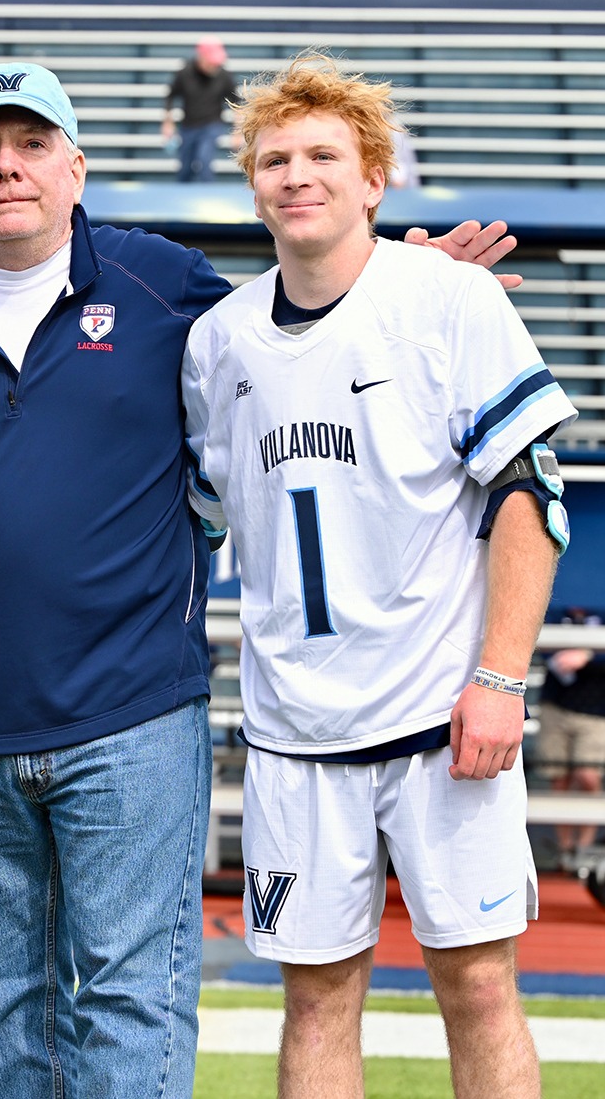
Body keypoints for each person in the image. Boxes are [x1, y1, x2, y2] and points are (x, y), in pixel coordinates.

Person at [0, 61, 523, 1099]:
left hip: (146, 712)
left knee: (137, 999)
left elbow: (315, 309)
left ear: (75, 168)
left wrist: (401, 278)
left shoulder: (163, 283)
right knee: (1, 1005)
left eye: (31, 145)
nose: (6, 167)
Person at [183, 55, 575, 1098]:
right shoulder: (216, 342)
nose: (295, 175)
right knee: (314, 1001)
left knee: (477, 987)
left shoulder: (445, 298)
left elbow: (528, 494)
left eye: (323, 156)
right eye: (274, 159)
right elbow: (202, 510)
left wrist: (499, 678)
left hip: (442, 721)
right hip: (292, 731)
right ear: (251, 185)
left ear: (373, 180)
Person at [540, 612, 605, 871]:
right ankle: (565, 851)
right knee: (558, 778)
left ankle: (584, 851)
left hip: (596, 711)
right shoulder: (556, 611)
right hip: (556, 707)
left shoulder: (599, 611)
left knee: (588, 777)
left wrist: (587, 654)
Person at [161, 38, 240, 182]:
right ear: (201, 57)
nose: (214, 66)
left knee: (204, 161)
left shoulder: (223, 76)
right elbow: (170, 96)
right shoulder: (185, 73)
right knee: (185, 168)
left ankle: (208, 193)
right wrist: (168, 123)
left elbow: (237, 103)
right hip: (188, 126)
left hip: (211, 125)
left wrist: (237, 132)